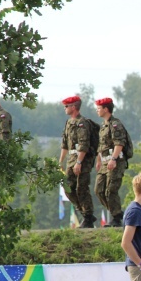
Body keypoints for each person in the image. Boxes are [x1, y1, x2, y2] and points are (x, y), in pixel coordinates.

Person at [59, 95, 96, 228]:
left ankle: (88, 217)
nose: (65, 108)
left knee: (82, 188)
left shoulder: (82, 123)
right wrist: (61, 161)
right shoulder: (69, 123)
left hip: (82, 160)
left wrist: (79, 162)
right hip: (71, 159)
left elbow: (84, 144)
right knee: (68, 188)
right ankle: (86, 213)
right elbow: (65, 144)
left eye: (66, 106)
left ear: (74, 107)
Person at [94, 97, 127, 227]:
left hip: (115, 161)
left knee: (110, 190)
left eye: (99, 108)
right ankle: (117, 214)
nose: (97, 111)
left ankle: (116, 218)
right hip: (104, 162)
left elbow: (119, 143)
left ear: (106, 109)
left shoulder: (115, 124)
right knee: (99, 190)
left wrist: (113, 159)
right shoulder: (103, 126)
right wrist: (98, 161)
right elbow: (101, 146)